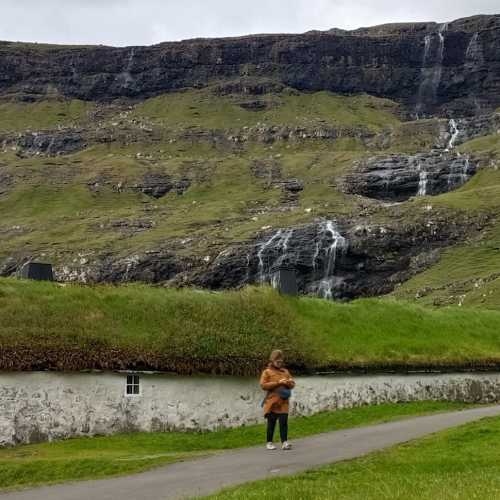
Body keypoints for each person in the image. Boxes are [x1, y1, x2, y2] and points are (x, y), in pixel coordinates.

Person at [259, 349, 295, 450]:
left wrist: (289, 383)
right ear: (272, 361)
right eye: (277, 362)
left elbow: (292, 384)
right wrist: (278, 383)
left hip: (284, 402)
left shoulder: (285, 371)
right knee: (272, 423)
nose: (279, 364)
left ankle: (284, 442)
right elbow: (263, 385)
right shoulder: (267, 372)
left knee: (284, 422)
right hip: (272, 402)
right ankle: (269, 442)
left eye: (281, 362)